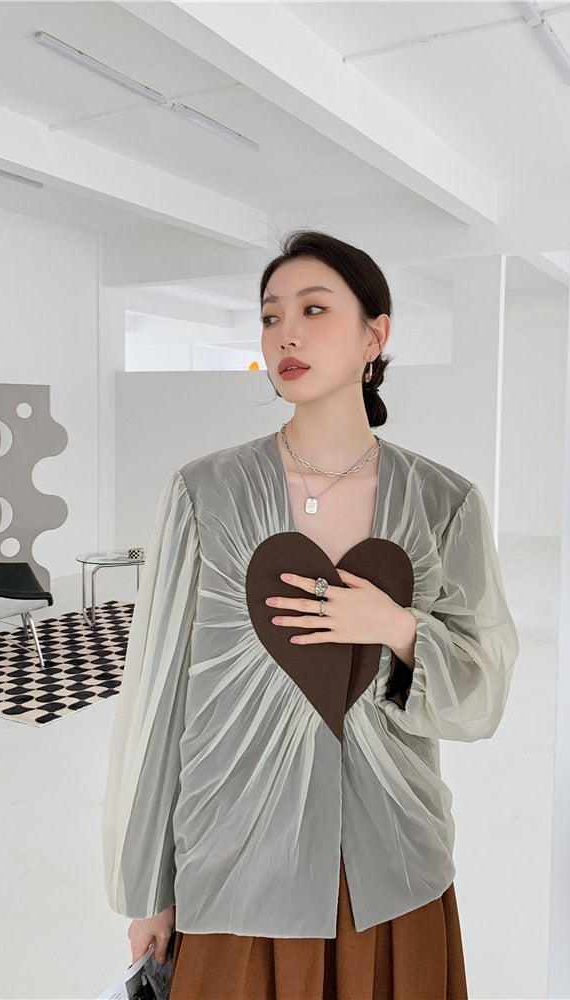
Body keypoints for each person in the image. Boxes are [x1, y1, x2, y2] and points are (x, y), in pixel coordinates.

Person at [103, 231, 519, 1000]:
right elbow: (160, 700)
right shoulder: (204, 493)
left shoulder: (444, 503)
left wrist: (396, 627)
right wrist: (147, 888)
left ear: (374, 336)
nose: (285, 334)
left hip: (390, 866)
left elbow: (482, 689)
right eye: (271, 316)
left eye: (314, 310)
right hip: (236, 863)